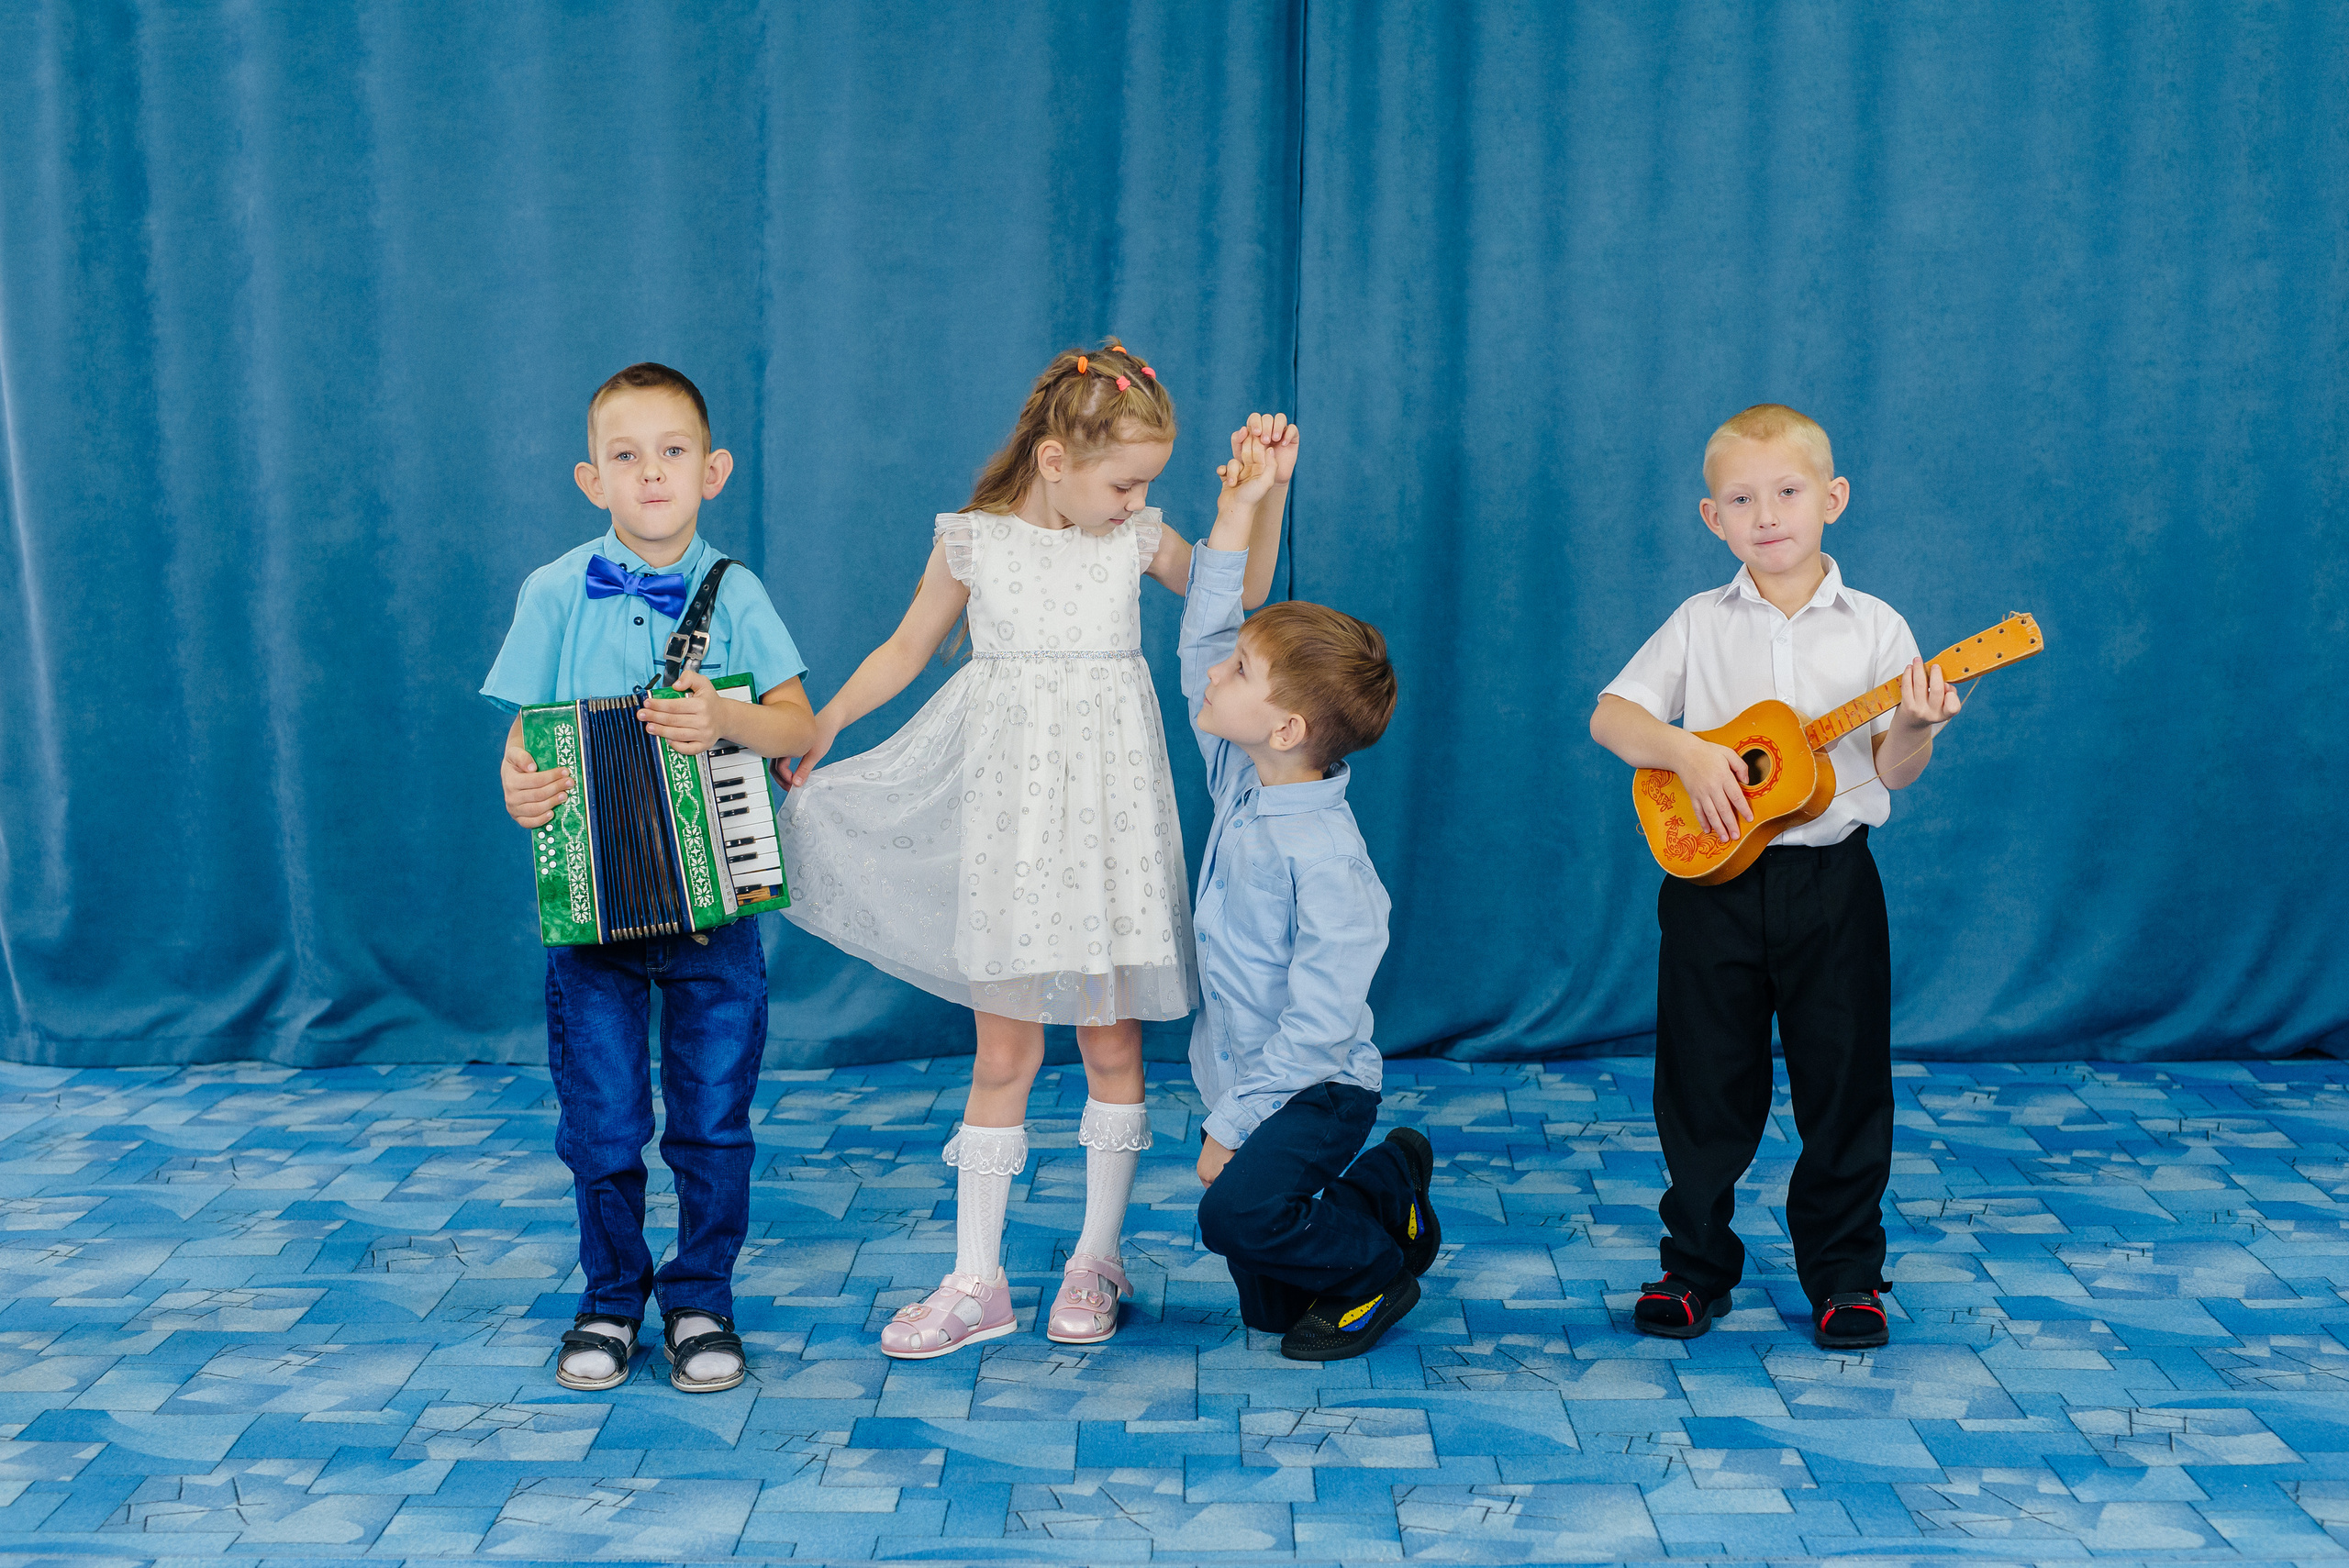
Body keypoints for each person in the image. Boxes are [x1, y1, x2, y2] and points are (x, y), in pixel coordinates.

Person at [776, 341, 1291, 1357]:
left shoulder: (1133, 538)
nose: (1136, 499)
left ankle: (1097, 1257)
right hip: (1014, 827)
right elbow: (905, 649)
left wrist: (1261, 495)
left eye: (1145, 484)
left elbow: (1237, 593)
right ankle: (977, 1278)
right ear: (1054, 460)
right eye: (1124, 480)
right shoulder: (973, 541)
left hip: (1109, 820)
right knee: (1001, 1047)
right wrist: (827, 718)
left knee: (1111, 1041)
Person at [1588, 403, 1963, 1351]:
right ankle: (1694, 1266)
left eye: (1788, 492)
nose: (1767, 514)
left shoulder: (1877, 629)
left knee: (1844, 1082)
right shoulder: (1696, 623)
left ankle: (1844, 1275)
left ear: (1831, 499)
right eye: (1742, 499)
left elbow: (1896, 767)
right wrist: (1684, 751)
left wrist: (1914, 722)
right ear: (1711, 517)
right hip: (1712, 886)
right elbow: (1611, 719)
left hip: (1833, 886)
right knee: (1701, 1081)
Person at [484, 362, 819, 1393]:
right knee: (602, 1118)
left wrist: (725, 716)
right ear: (593, 480)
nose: (651, 473)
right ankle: (610, 1297)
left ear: (711, 470)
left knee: (713, 1116)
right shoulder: (551, 590)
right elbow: (520, 750)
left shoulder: (740, 593)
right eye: (625, 457)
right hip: (590, 915)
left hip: (713, 907)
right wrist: (519, 789)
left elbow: (798, 727)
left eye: (672, 451)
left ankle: (702, 1298)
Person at [1183, 429, 1433, 1362]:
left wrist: (1234, 1123)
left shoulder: (1325, 855)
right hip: (1255, 1081)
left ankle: (1376, 1269)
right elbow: (1204, 638)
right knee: (1269, 1304)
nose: (1215, 672)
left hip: (1315, 1087)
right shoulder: (1245, 778)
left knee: (1230, 1213)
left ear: (1285, 724)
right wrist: (1236, 511)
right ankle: (1386, 1185)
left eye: (1238, 673)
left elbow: (1324, 1020)